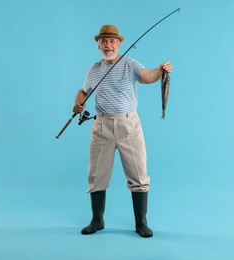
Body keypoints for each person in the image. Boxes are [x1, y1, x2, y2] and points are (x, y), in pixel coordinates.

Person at [73, 24, 172, 238]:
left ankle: (141, 223)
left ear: (119, 44)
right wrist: (78, 103)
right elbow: (82, 92)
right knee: (96, 174)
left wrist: (159, 70)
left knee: (138, 174)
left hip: (129, 126)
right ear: (98, 45)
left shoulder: (130, 64)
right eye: (103, 41)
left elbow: (146, 76)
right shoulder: (93, 69)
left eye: (112, 41)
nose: (108, 45)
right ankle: (97, 221)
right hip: (101, 126)